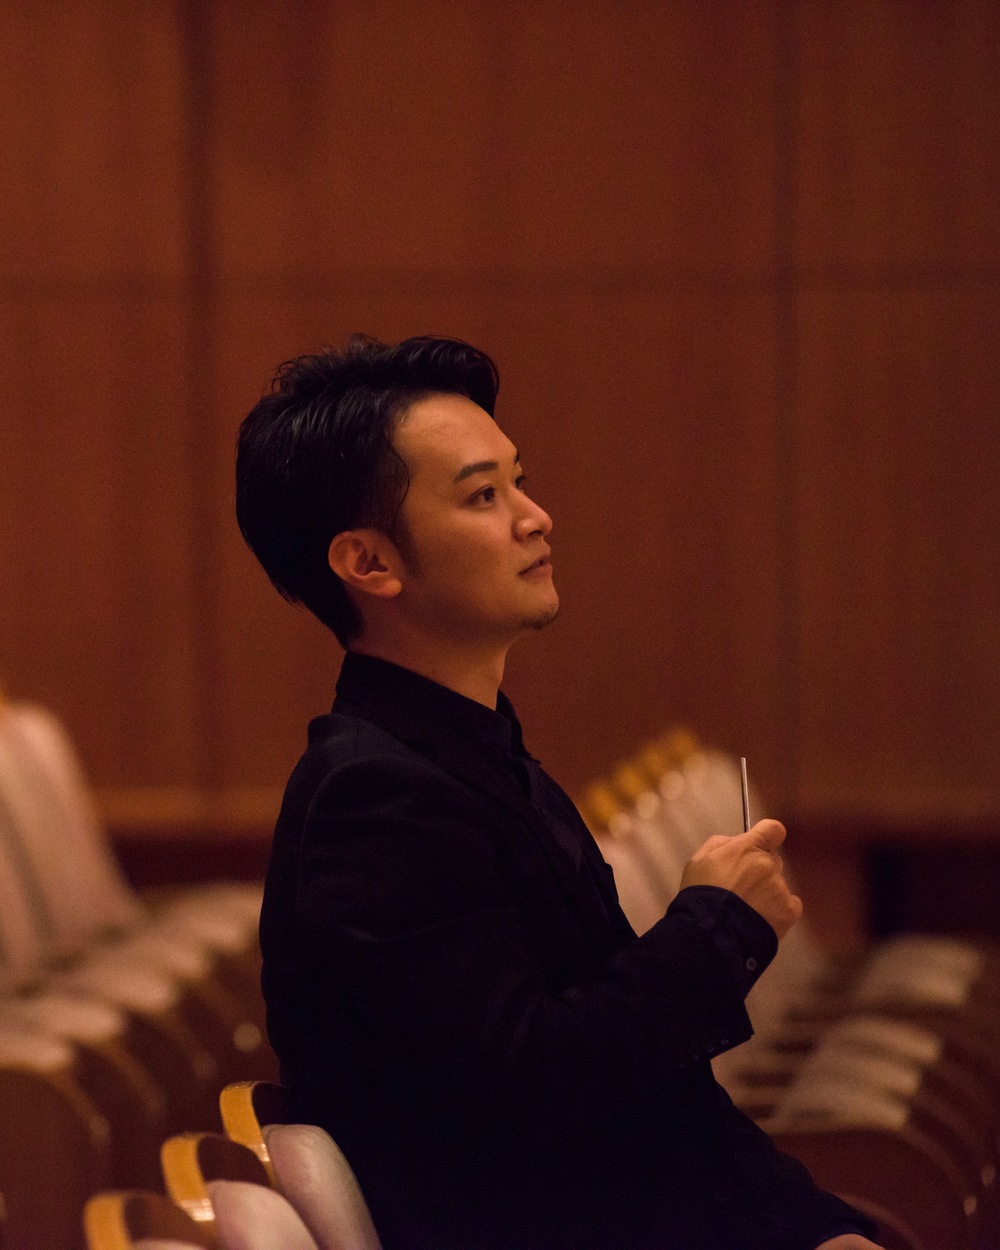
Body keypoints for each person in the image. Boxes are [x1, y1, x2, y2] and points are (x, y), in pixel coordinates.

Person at [235, 335, 884, 1250]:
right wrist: (717, 927)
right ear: (370, 564)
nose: (536, 518)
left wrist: (823, 1230)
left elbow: (662, 1108)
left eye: (520, 482)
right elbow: (529, 1087)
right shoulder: (375, 801)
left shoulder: (473, 755)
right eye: (483, 496)